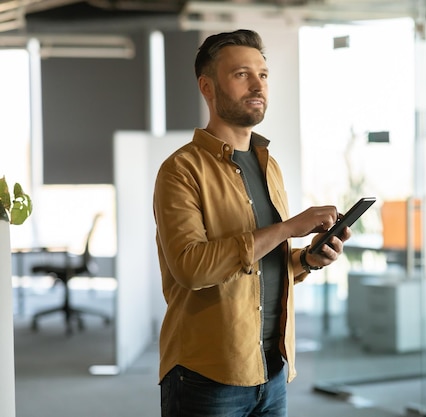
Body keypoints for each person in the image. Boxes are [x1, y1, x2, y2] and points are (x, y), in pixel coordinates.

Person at [153, 29, 351, 417]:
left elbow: (260, 268)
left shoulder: (268, 165)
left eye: (263, 74)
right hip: (206, 374)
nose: (257, 84)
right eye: (242, 74)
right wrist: (286, 228)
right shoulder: (181, 170)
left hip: (271, 369)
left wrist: (307, 259)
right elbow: (192, 268)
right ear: (207, 87)